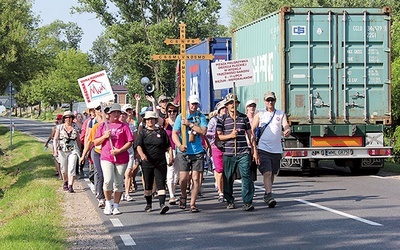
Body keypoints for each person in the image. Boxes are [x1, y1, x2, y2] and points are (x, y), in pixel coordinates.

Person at [216, 93, 256, 211]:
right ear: (227, 106)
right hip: (228, 153)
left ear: (237, 104)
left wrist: (254, 149)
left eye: (234, 103)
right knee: (228, 177)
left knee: (246, 176)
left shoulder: (244, 118)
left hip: (243, 152)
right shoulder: (222, 119)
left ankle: (247, 201)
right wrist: (230, 135)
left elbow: (250, 134)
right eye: (230, 103)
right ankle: (229, 200)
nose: (232, 105)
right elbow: (219, 137)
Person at [252, 91, 290, 208]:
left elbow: (286, 125)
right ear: (264, 101)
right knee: (267, 172)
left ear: (275, 101)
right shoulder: (260, 114)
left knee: (273, 172)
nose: (270, 102)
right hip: (263, 148)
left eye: (272, 100)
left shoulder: (280, 113)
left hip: (276, 149)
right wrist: (254, 149)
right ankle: (269, 194)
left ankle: (267, 192)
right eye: (268, 100)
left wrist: (287, 130)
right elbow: (251, 130)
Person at [94, 103, 134, 215]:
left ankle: (116, 206)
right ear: (109, 114)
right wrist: (104, 137)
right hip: (107, 157)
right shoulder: (103, 126)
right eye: (113, 112)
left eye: (118, 112)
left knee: (118, 183)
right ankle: (108, 203)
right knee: (108, 181)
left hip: (121, 158)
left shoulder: (124, 126)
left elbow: (130, 142)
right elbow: (95, 142)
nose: (116, 114)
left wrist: (119, 150)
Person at [172, 95, 207, 213]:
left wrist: (190, 124)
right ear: (188, 104)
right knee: (183, 179)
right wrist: (179, 145)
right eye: (192, 104)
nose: (194, 106)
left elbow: (203, 131)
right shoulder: (180, 117)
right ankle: (183, 195)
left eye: (196, 104)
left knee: (196, 178)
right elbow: (174, 133)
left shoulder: (200, 116)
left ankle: (193, 203)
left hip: (197, 151)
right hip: (184, 151)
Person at [135, 111, 172, 214]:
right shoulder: (143, 132)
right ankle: (148, 204)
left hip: (160, 161)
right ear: (145, 121)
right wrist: (142, 155)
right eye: (148, 119)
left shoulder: (161, 132)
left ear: (156, 120)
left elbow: (168, 146)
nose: (150, 121)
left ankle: (162, 204)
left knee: (161, 182)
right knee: (148, 184)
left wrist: (171, 156)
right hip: (147, 162)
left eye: (152, 119)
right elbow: (138, 145)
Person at [53, 111, 81, 193]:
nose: (68, 119)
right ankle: (65, 181)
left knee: (72, 167)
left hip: (73, 150)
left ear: (72, 118)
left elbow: (78, 139)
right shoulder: (60, 127)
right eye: (66, 117)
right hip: (62, 149)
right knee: (64, 169)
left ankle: (70, 185)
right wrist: (55, 150)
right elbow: (55, 139)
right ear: (64, 119)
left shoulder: (76, 127)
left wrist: (80, 150)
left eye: (70, 117)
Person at [206, 100, 227, 203]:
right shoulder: (214, 121)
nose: (224, 109)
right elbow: (207, 133)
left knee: (226, 171)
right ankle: (221, 193)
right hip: (216, 146)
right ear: (218, 110)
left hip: (228, 147)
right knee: (219, 170)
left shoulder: (229, 119)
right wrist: (215, 135)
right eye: (222, 108)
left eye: (225, 108)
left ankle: (225, 189)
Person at [120, 104, 138, 202]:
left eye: (125, 114)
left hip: (129, 152)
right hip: (119, 153)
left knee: (128, 173)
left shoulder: (131, 126)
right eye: (121, 114)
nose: (123, 116)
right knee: (120, 174)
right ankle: (120, 191)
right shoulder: (116, 126)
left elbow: (135, 139)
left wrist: (135, 151)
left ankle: (126, 193)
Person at [164, 102, 180, 205]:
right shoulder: (165, 122)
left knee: (177, 173)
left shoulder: (180, 121)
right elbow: (156, 116)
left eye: (174, 111)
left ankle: (173, 193)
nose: (172, 113)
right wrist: (153, 101)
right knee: (170, 171)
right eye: (170, 111)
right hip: (169, 149)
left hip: (179, 149)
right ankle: (171, 195)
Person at [245, 99, 259, 187]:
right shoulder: (244, 118)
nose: (252, 108)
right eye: (250, 106)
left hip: (256, 144)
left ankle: (252, 186)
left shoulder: (257, 118)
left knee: (253, 167)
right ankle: (247, 186)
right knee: (246, 167)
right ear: (247, 108)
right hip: (246, 145)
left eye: (254, 106)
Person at [45, 114, 63, 178]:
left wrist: (47, 142)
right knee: (58, 159)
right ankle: (60, 173)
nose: (57, 120)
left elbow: (51, 136)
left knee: (57, 159)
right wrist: (47, 142)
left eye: (58, 119)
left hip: (58, 144)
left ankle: (60, 173)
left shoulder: (55, 128)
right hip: (59, 144)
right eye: (57, 119)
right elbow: (51, 136)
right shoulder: (59, 127)